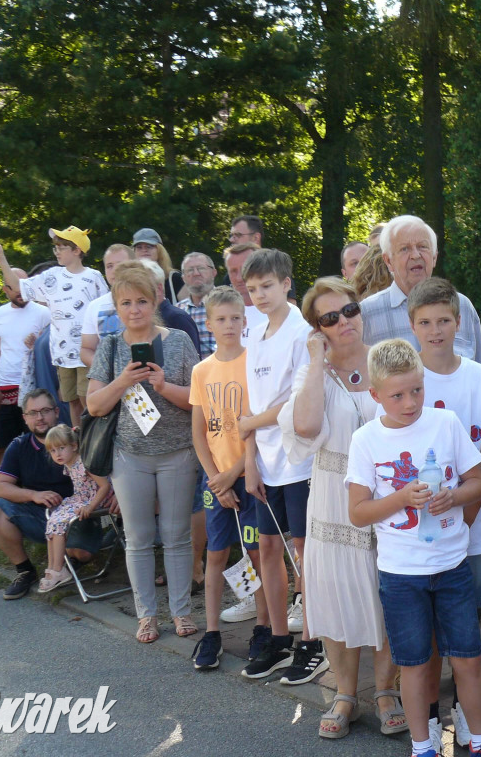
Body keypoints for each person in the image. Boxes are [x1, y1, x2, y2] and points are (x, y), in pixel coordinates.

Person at [347, 338, 481, 757]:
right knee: (413, 665)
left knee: (468, 659)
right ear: (375, 395)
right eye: (397, 395)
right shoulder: (365, 440)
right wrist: (401, 498)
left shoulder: (445, 422)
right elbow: (358, 512)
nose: (411, 401)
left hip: (452, 565)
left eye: (417, 389)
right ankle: (422, 748)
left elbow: (478, 481)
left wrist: (453, 496)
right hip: (400, 575)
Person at [279, 277, 406, 739]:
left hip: (387, 494)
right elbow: (307, 425)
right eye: (329, 318)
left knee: (387, 591)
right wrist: (316, 359)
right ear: (318, 327)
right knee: (334, 591)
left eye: (349, 311)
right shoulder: (312, 370)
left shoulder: (387, 359)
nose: (343, 322)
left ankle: (388, 690)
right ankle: (346, 693)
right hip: (332, 496)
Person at [405, 277, 481, 750]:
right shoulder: (409, 383)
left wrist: (472, 499)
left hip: (472, 520)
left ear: (458, 322)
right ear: (412, 327)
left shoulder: (477, 377)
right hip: (422, 532)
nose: (435, 330)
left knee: (464, 627)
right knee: (425, 630)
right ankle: (428, 716)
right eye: (425, 322)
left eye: (443, 320)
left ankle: (467, 716)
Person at [87, 262, 200, 644]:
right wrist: (123, 380)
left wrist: (163, 385)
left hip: (178, 452)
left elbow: (198, 401)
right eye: (126, 303)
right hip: (129, 454)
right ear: (116, 307)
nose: (134, 309)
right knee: (138, 537)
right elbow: (94, 406)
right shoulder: (111, 345)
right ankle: (146, 615)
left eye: (141, 301)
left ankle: (181, 612)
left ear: (154, 302)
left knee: (176, 535)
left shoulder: (179, 342)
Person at [237, 249, 325, 683]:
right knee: (268, 550)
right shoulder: (254, 332)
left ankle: (313, 641)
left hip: (299, 461)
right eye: (251, 289)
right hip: (266, 465)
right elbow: (251, 404)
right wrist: (249, 459)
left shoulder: (301, 331)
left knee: (305, 554)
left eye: (267, 286)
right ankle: (277, 638)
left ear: (287, 283)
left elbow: (297, 400)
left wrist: (250, 424)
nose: (259, 296)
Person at [188, 286, 270, 671]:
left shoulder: (255, 363)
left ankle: (265, 628)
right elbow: (199, 433)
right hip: (216, 481)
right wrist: (215, 480)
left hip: (249, 475)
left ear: (245, 320)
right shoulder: (201, 371)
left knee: (258, 552)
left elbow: (256, 428)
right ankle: (211, 633)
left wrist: (233, 474)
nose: (229, 325)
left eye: (236, 318)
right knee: (216, 554)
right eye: (221, 319)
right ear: (209, 323)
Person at [0, 388, 104, 599]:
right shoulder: (19, 446)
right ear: (25, 418)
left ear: (57, 411)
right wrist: (33, 495)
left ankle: (65, 561)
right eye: (33, 413)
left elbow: (106, 477)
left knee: (81, 553)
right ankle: (25, 571)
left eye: (45, 410)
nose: (39, 417)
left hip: (79, 514)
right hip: (39, 515)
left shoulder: (76, 440)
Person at [0, 226, 109, 428]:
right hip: (62, 353)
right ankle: (79, 440)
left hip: (87, 351)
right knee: (71, 400)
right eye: (56, 248)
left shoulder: (94, 277)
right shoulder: (51, 276)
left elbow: (106, 312)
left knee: (86, 398)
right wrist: (1, 259)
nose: (57, 252)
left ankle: (95, 438)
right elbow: (18, 286)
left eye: (61, 248)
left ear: (76, 250)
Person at [360, 216, 481, 364]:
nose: (415, 255)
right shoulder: (367, 314)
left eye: (422, 247)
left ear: (434, 257)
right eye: (404, 249)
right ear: (388, 261)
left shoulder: (462, 305)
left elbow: (477, 370)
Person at [38, 424, 111, 592]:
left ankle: (58, 570)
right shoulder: (69, 463)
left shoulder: (84, 462)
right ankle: (52, 569)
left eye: (61, 448)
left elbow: (105, 486)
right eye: (53, 451)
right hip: (80, 499)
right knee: (53, 520)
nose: (58, 454)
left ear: (74, 446)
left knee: (59, 521)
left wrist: (91, 506)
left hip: (94, 501)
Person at [0, 269, 51, 465]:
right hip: (5, 387)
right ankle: (4, 490)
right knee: (2, 446)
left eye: (23, 285)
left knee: (38, 444)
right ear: (4, 289)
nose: (19, 291)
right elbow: (1, 350)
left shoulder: (44, 313)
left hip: (34, 388)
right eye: (13, 286)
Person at [136, 260, 202, 364]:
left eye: (144, 287)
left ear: (159, 288)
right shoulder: (135, 319)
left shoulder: (178, 318)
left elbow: (194, 368)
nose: (138, 292)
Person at [80, 243, 135, 366]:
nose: (115, 270)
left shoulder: (148, 300)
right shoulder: (95, 306)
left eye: (121, 265)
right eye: (109, 266)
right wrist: (105, 370)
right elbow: (86, 349)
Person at [177, 252, 219, 359]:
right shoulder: (178, 311)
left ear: (214, 272)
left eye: (201, 268)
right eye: (190, 270)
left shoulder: (228, 304)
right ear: (183, 278)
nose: (196, 273)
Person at [222, 240, 265, 343]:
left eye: (244, 269)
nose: (239, 277)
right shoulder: (222, 315)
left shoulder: (282, 311)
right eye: (233, 271)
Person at [132, 228, 186, 304]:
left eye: (149, 246)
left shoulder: (175, 279)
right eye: (139, 247)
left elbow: (187, 308)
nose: (144, 250)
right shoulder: (130, 280)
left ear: (159, 250)